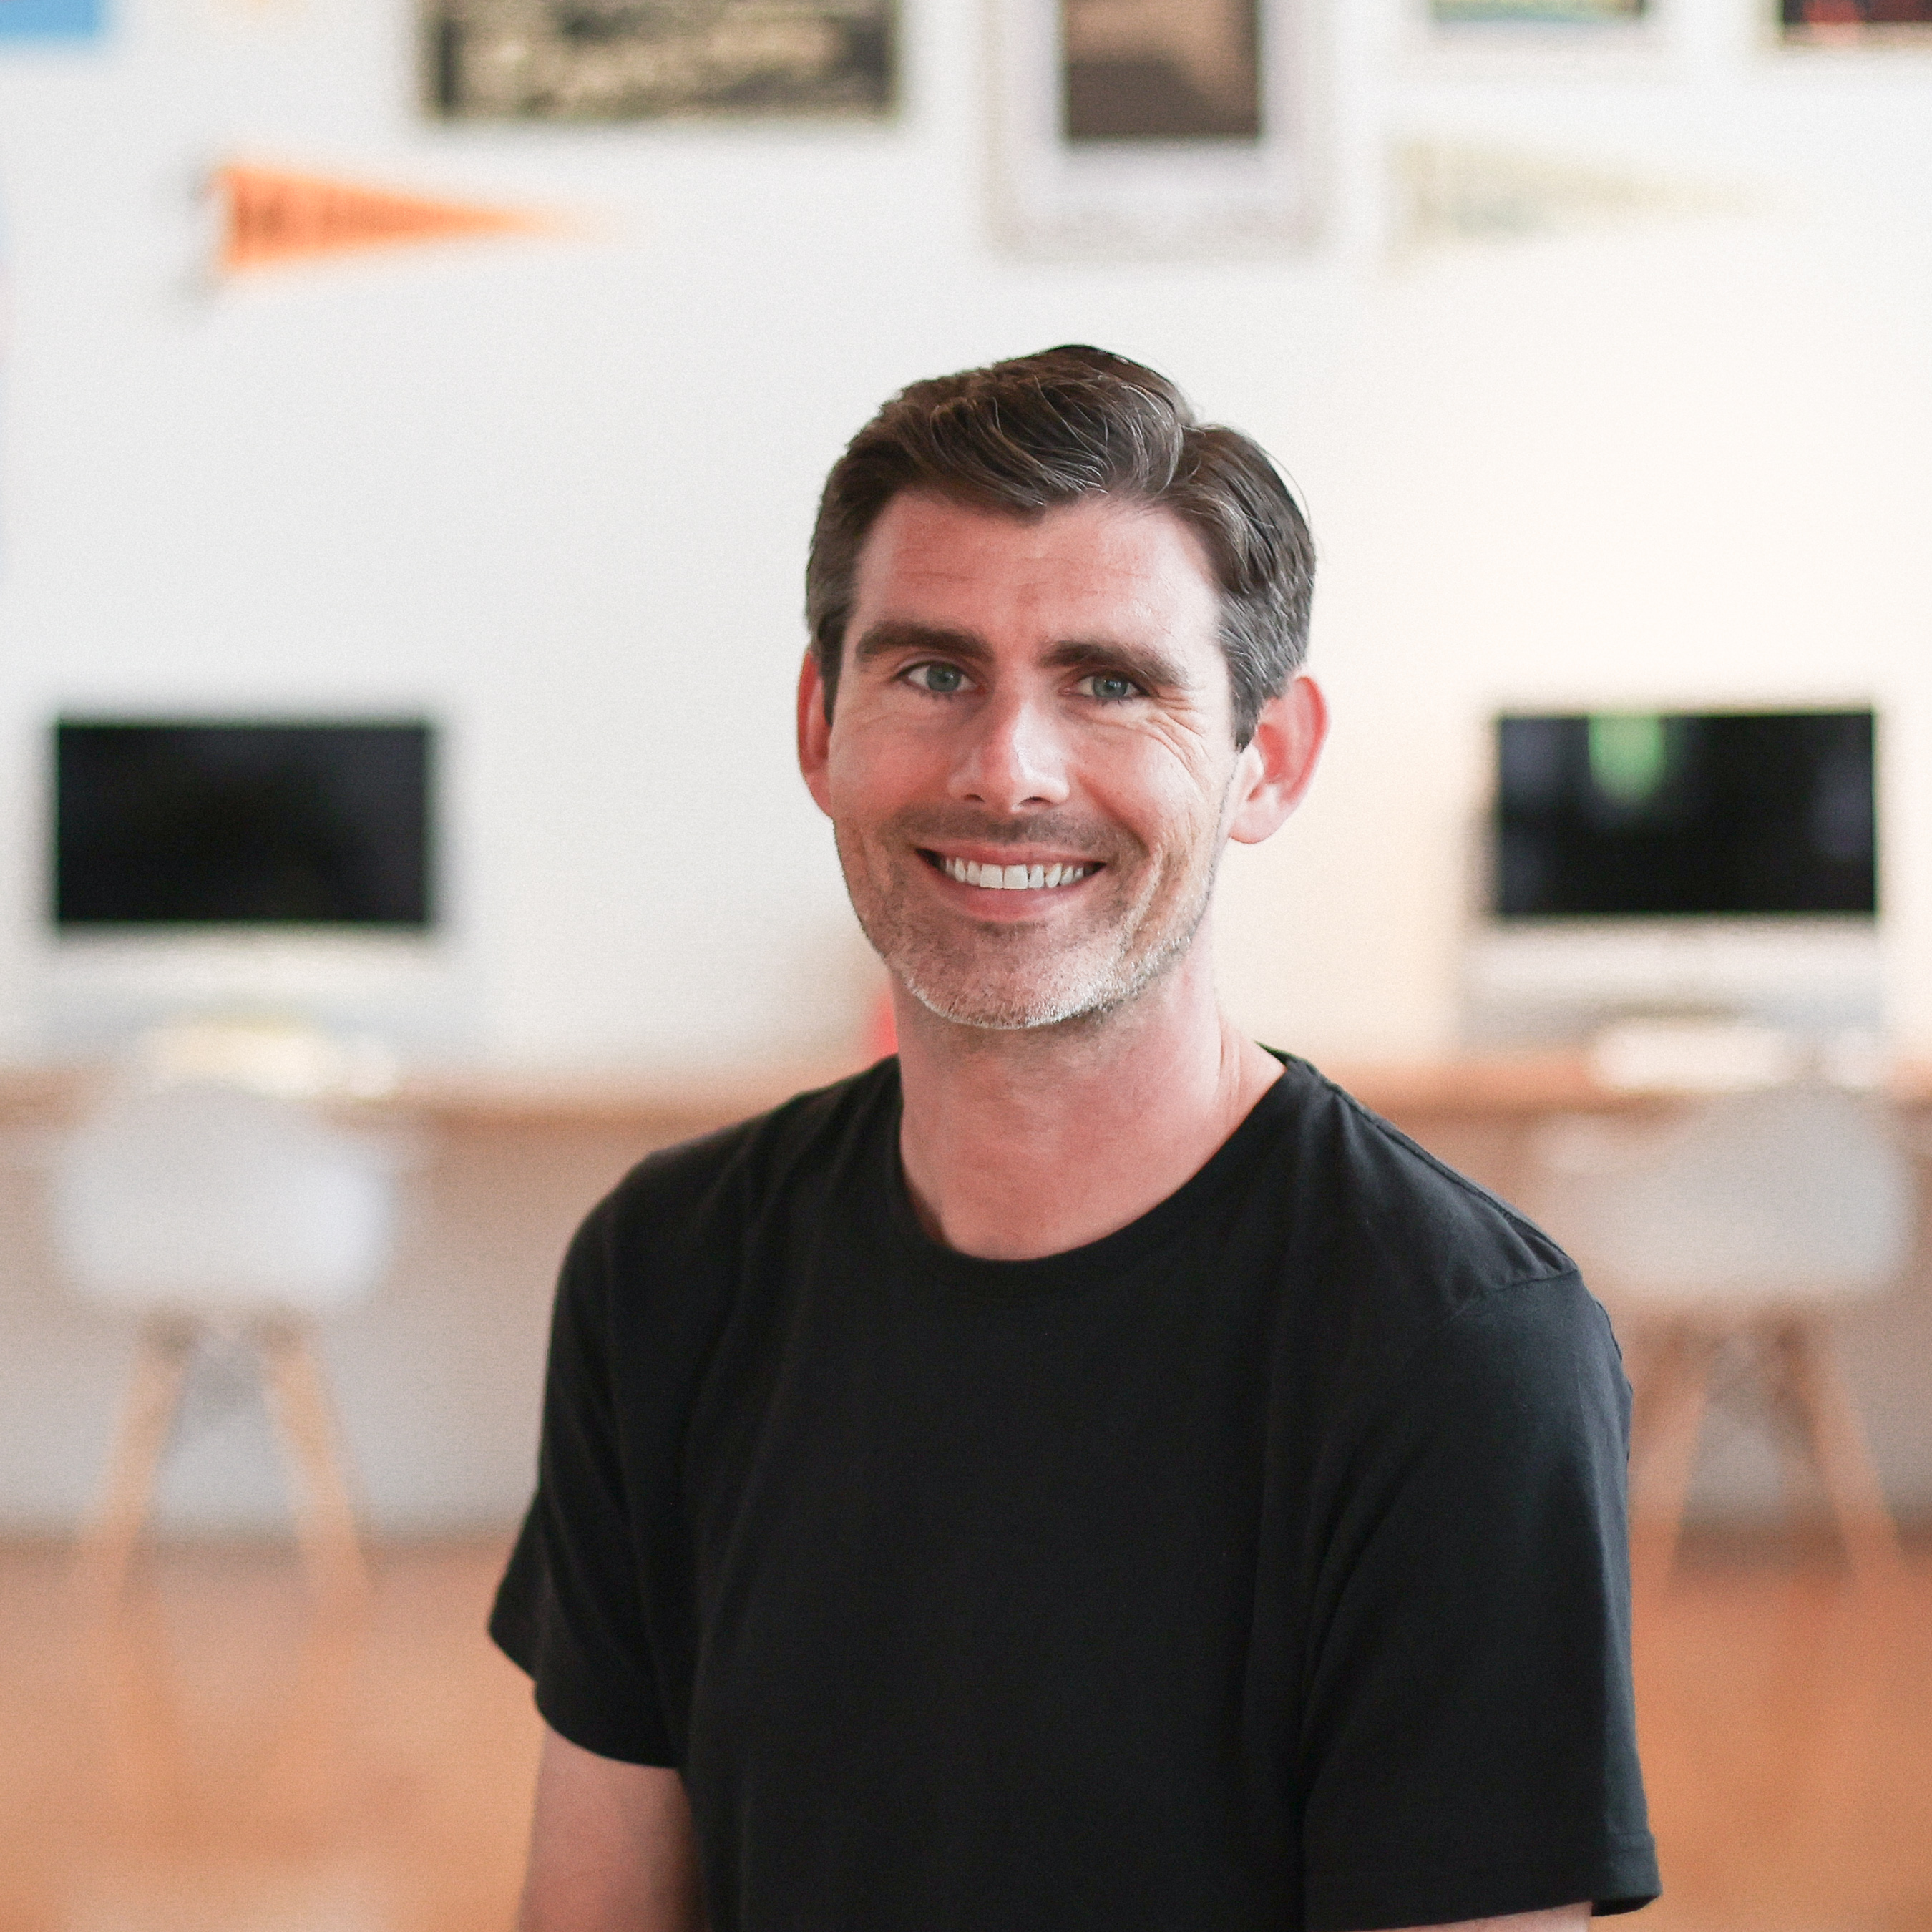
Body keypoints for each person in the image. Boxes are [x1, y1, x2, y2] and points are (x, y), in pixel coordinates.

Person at [490, 346, 1660, 1932]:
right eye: (932, 671)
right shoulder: (665, 1269)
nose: (1008, 772)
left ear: (1272, 758)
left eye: (1112, 683)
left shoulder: (1455, 1354)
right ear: (819, 723)